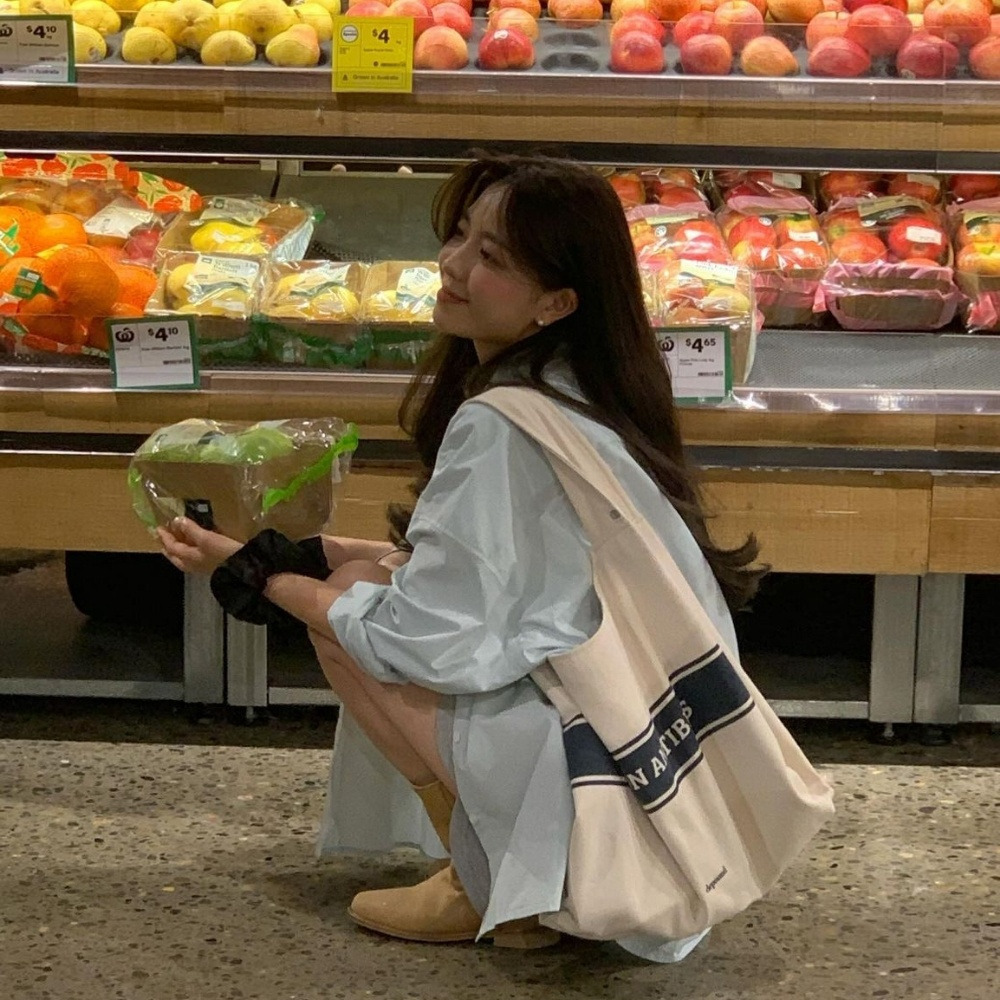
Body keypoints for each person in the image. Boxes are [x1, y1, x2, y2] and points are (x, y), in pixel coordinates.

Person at [159, 152, 764, 961]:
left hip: (587, 755)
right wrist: (323, 552)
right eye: (460, 236)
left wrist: (260, 573)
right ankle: (498, 877)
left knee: (347, 618)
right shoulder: (585, 383)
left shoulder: (502, 420)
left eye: (492, 257)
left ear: (556, 301)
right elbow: (513, 571)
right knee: (361, 577)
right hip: (644, 723)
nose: (452, 264)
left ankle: (491, 886)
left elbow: (423, 635)